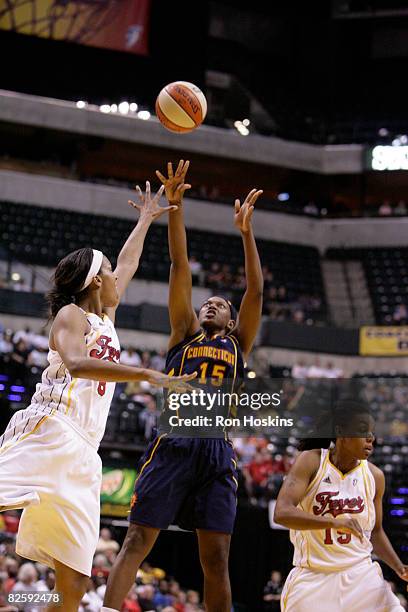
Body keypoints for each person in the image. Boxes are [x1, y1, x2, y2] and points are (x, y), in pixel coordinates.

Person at [0, 182, 195, 612]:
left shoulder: (105, 314)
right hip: (51, 427)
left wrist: (145, 219)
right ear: (93, 281)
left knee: (73, 585)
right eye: (106, 270)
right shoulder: (71, 315)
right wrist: (144, 372)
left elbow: (128, 260)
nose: (115, 275)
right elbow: (77, 363)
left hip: (86, 450)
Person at [102, 160, 264, 612]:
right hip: (175, 440)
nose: (211, 304)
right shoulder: (183, 334)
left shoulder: (239, 344)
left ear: (231, 320)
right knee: (137, 537)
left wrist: (246, 234)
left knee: (217, 557)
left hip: (216, 449)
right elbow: (179, 263)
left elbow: (255, 292)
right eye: (206, 303)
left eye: (220, 304)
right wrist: (175, 206)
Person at [273, 399, 408, 611]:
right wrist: (335, 523)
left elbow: (375, 532)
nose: (371, 438)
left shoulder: (375, 476)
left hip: (362, 576)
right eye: (363, 430)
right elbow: (281, 513)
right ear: (341, 432)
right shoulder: (311, 461)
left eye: (372, 432)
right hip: (313, 578)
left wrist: (400, 568)